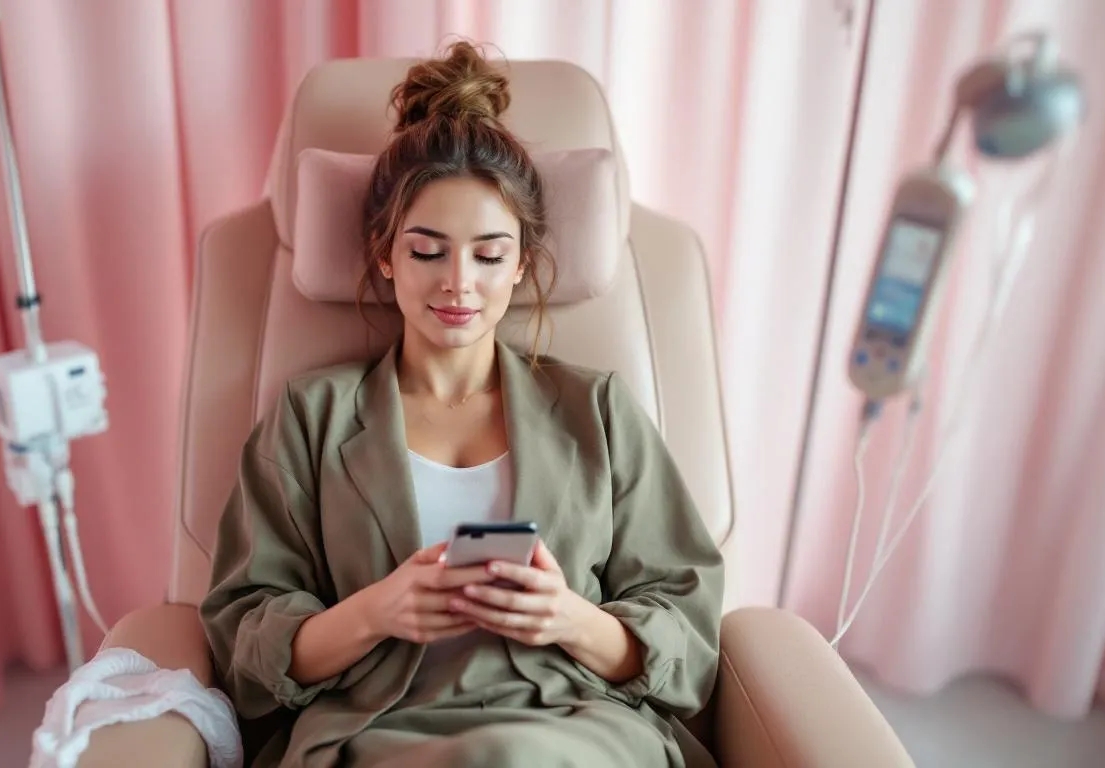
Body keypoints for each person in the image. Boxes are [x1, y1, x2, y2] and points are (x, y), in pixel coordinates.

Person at [200, 41, 725, 768]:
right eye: (427, 251)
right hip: (374, 731)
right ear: (384, 255)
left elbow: (688, 629)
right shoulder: (310, 417)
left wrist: (569, 617)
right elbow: (243, 634)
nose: (458, 283)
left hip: (571, 725)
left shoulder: (596, 410)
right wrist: (376, 610)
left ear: (521, 265)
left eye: (488, 254)